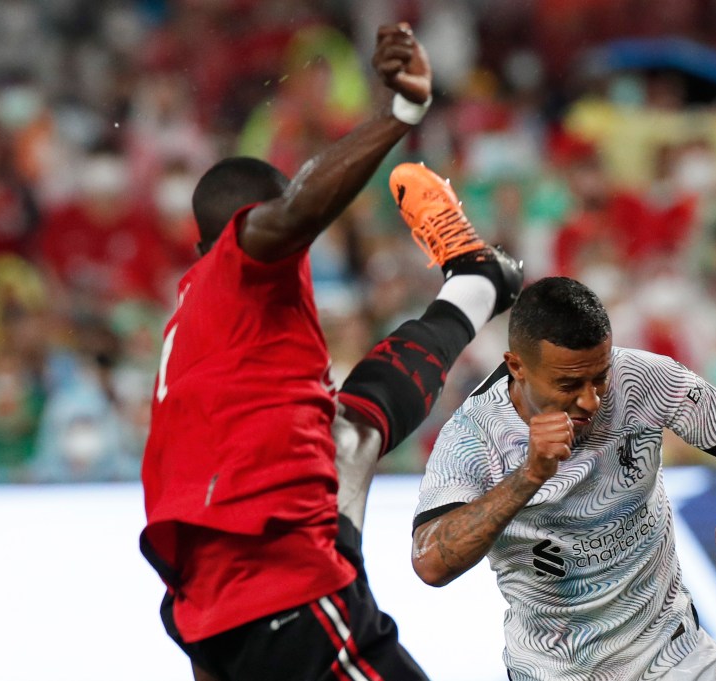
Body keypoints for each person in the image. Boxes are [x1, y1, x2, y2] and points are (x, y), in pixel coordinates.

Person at [140, 22, 523, 681]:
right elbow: (288, 216)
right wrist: (397, 115)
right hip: (287, 591)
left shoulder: (198, 337)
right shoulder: (243, 268)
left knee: (351, 424)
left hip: (214, 617)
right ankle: (479, 283)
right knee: (349, 427)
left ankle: (478, 281)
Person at [411, 276, 716, 681]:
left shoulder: (642, 378)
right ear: (517, 367)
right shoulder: (473, 436)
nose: (590, 400)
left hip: (675, 656)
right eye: (568, 384)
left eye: (599, 376)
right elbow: (430, 563)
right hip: (556, 670)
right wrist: (528, 476)